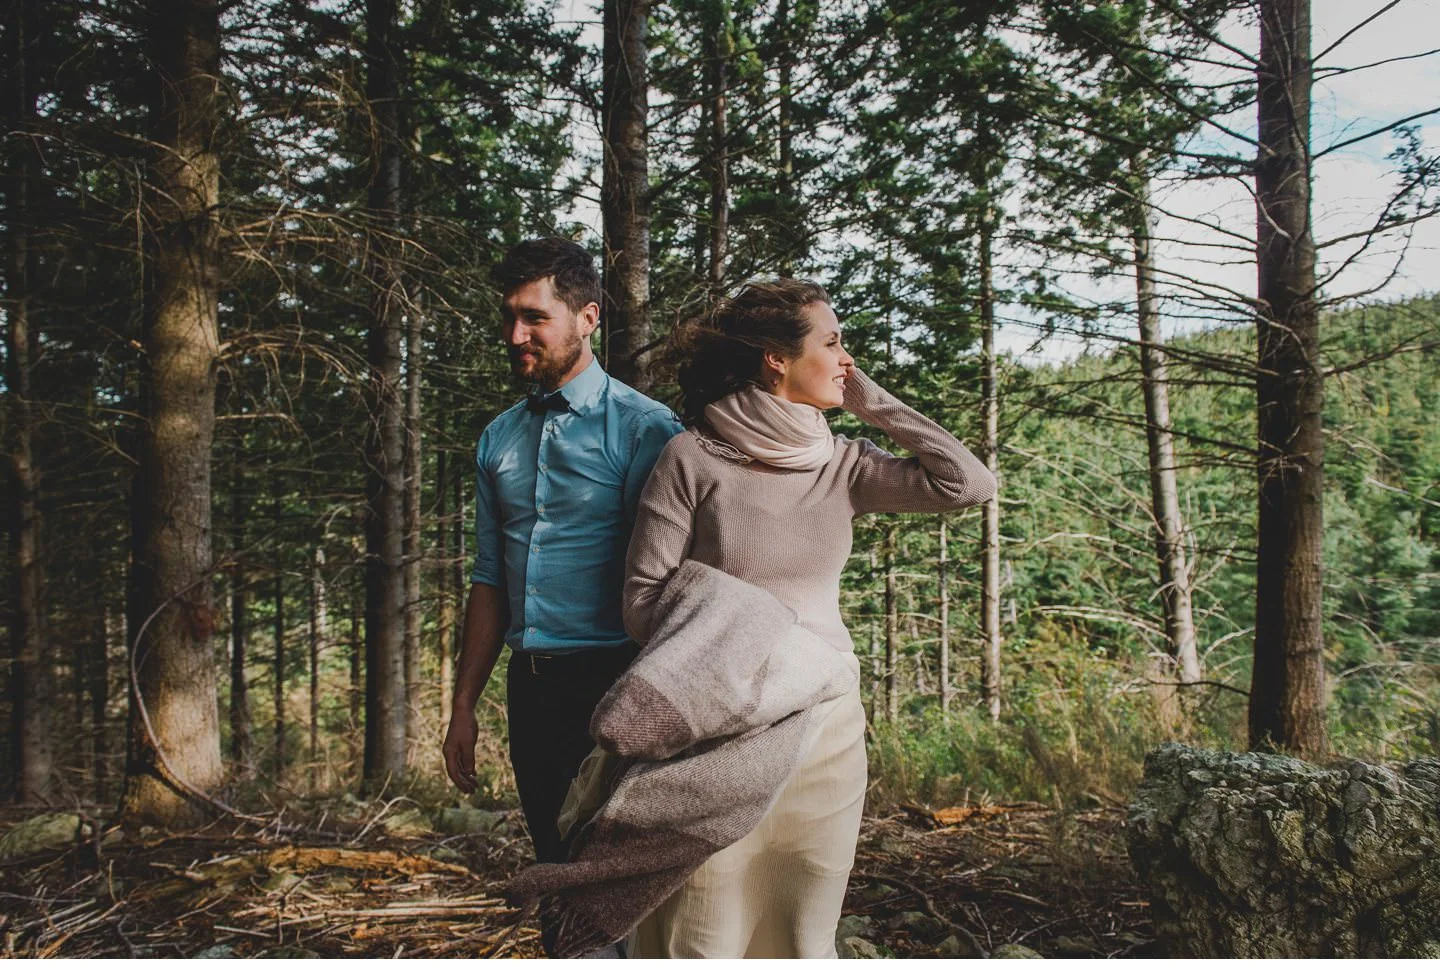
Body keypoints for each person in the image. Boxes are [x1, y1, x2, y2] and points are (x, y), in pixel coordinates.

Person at [621, 279, 997, 958]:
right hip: (716, 732)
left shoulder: (845, 464)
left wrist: (869, 399)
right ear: (776, 358)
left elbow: (967, 484)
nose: (845, 357)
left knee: (803, 933)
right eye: (832, 342)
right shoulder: (692, 457)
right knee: (700, 932)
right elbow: (642, 603)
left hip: (823, 730)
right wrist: (741, 638)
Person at [440, 238, 682, 942]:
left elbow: (669, 576)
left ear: (587, 318)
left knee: (618, 878)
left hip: (620, 684)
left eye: (534, 318)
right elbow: (490, 581)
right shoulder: (497, 441)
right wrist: (463, 705)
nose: (515, 335)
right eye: (509, 318)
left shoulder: (646, 430)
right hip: (533, 686)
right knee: (555, 870)